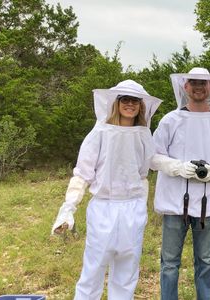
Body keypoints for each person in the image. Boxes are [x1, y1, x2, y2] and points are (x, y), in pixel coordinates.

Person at [51, 80, 163, 299]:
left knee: (127, 271)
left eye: (135, 101)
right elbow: (83, 173)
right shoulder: (100, 132)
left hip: (133, 209)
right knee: (93, 268)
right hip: (104, 207)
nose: (130, 104)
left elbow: (144, 171)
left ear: (141, 105)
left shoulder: (143, 134)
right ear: (116, 102)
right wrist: (68, 208)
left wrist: (141, 205)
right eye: (125, 99)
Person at [151, 67, 210, 300]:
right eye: (193, 82)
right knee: (169, 262)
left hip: (208, 205)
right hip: (174, 201)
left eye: (203, 83)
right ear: (185, 86)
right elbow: (153, 157)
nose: (198, 87)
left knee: (205, 262)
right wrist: (178, 167)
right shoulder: (171, 120)